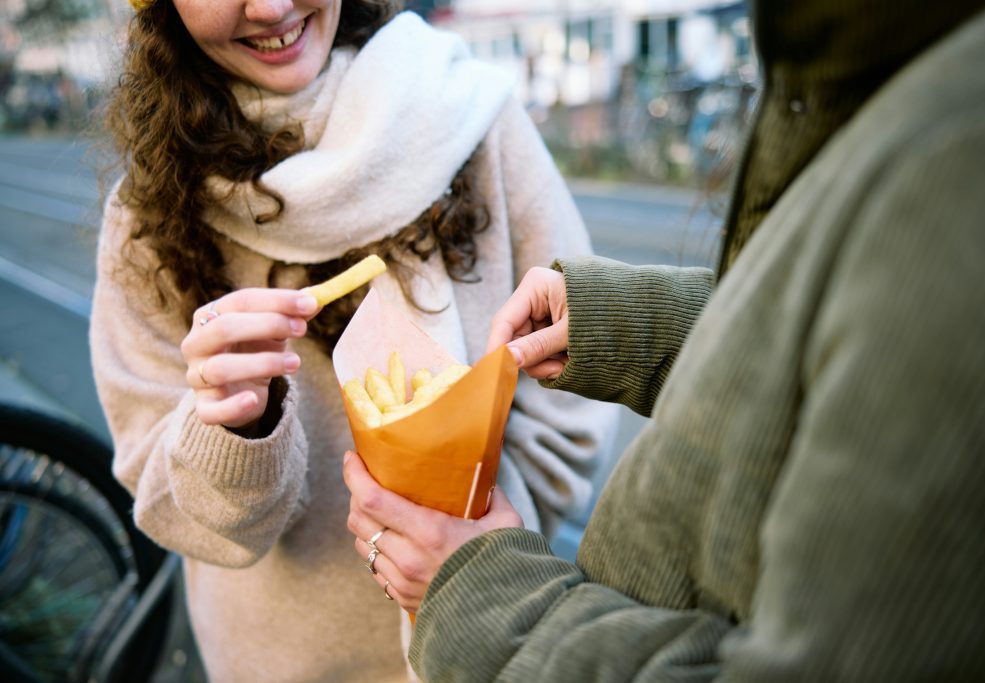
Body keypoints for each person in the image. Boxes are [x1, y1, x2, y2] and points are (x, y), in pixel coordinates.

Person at [344, 0, 985, 679]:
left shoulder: (976, 152)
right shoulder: (878, 62)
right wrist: (632, 324)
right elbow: (847, 345)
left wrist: (489, 602)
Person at [90, 0, 618, 680]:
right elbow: (169, 504)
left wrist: (478, 550)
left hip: (490, 649)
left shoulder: (472, 116)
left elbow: (578, 375)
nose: (272, 8)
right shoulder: (147, 214)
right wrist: (234, 429)